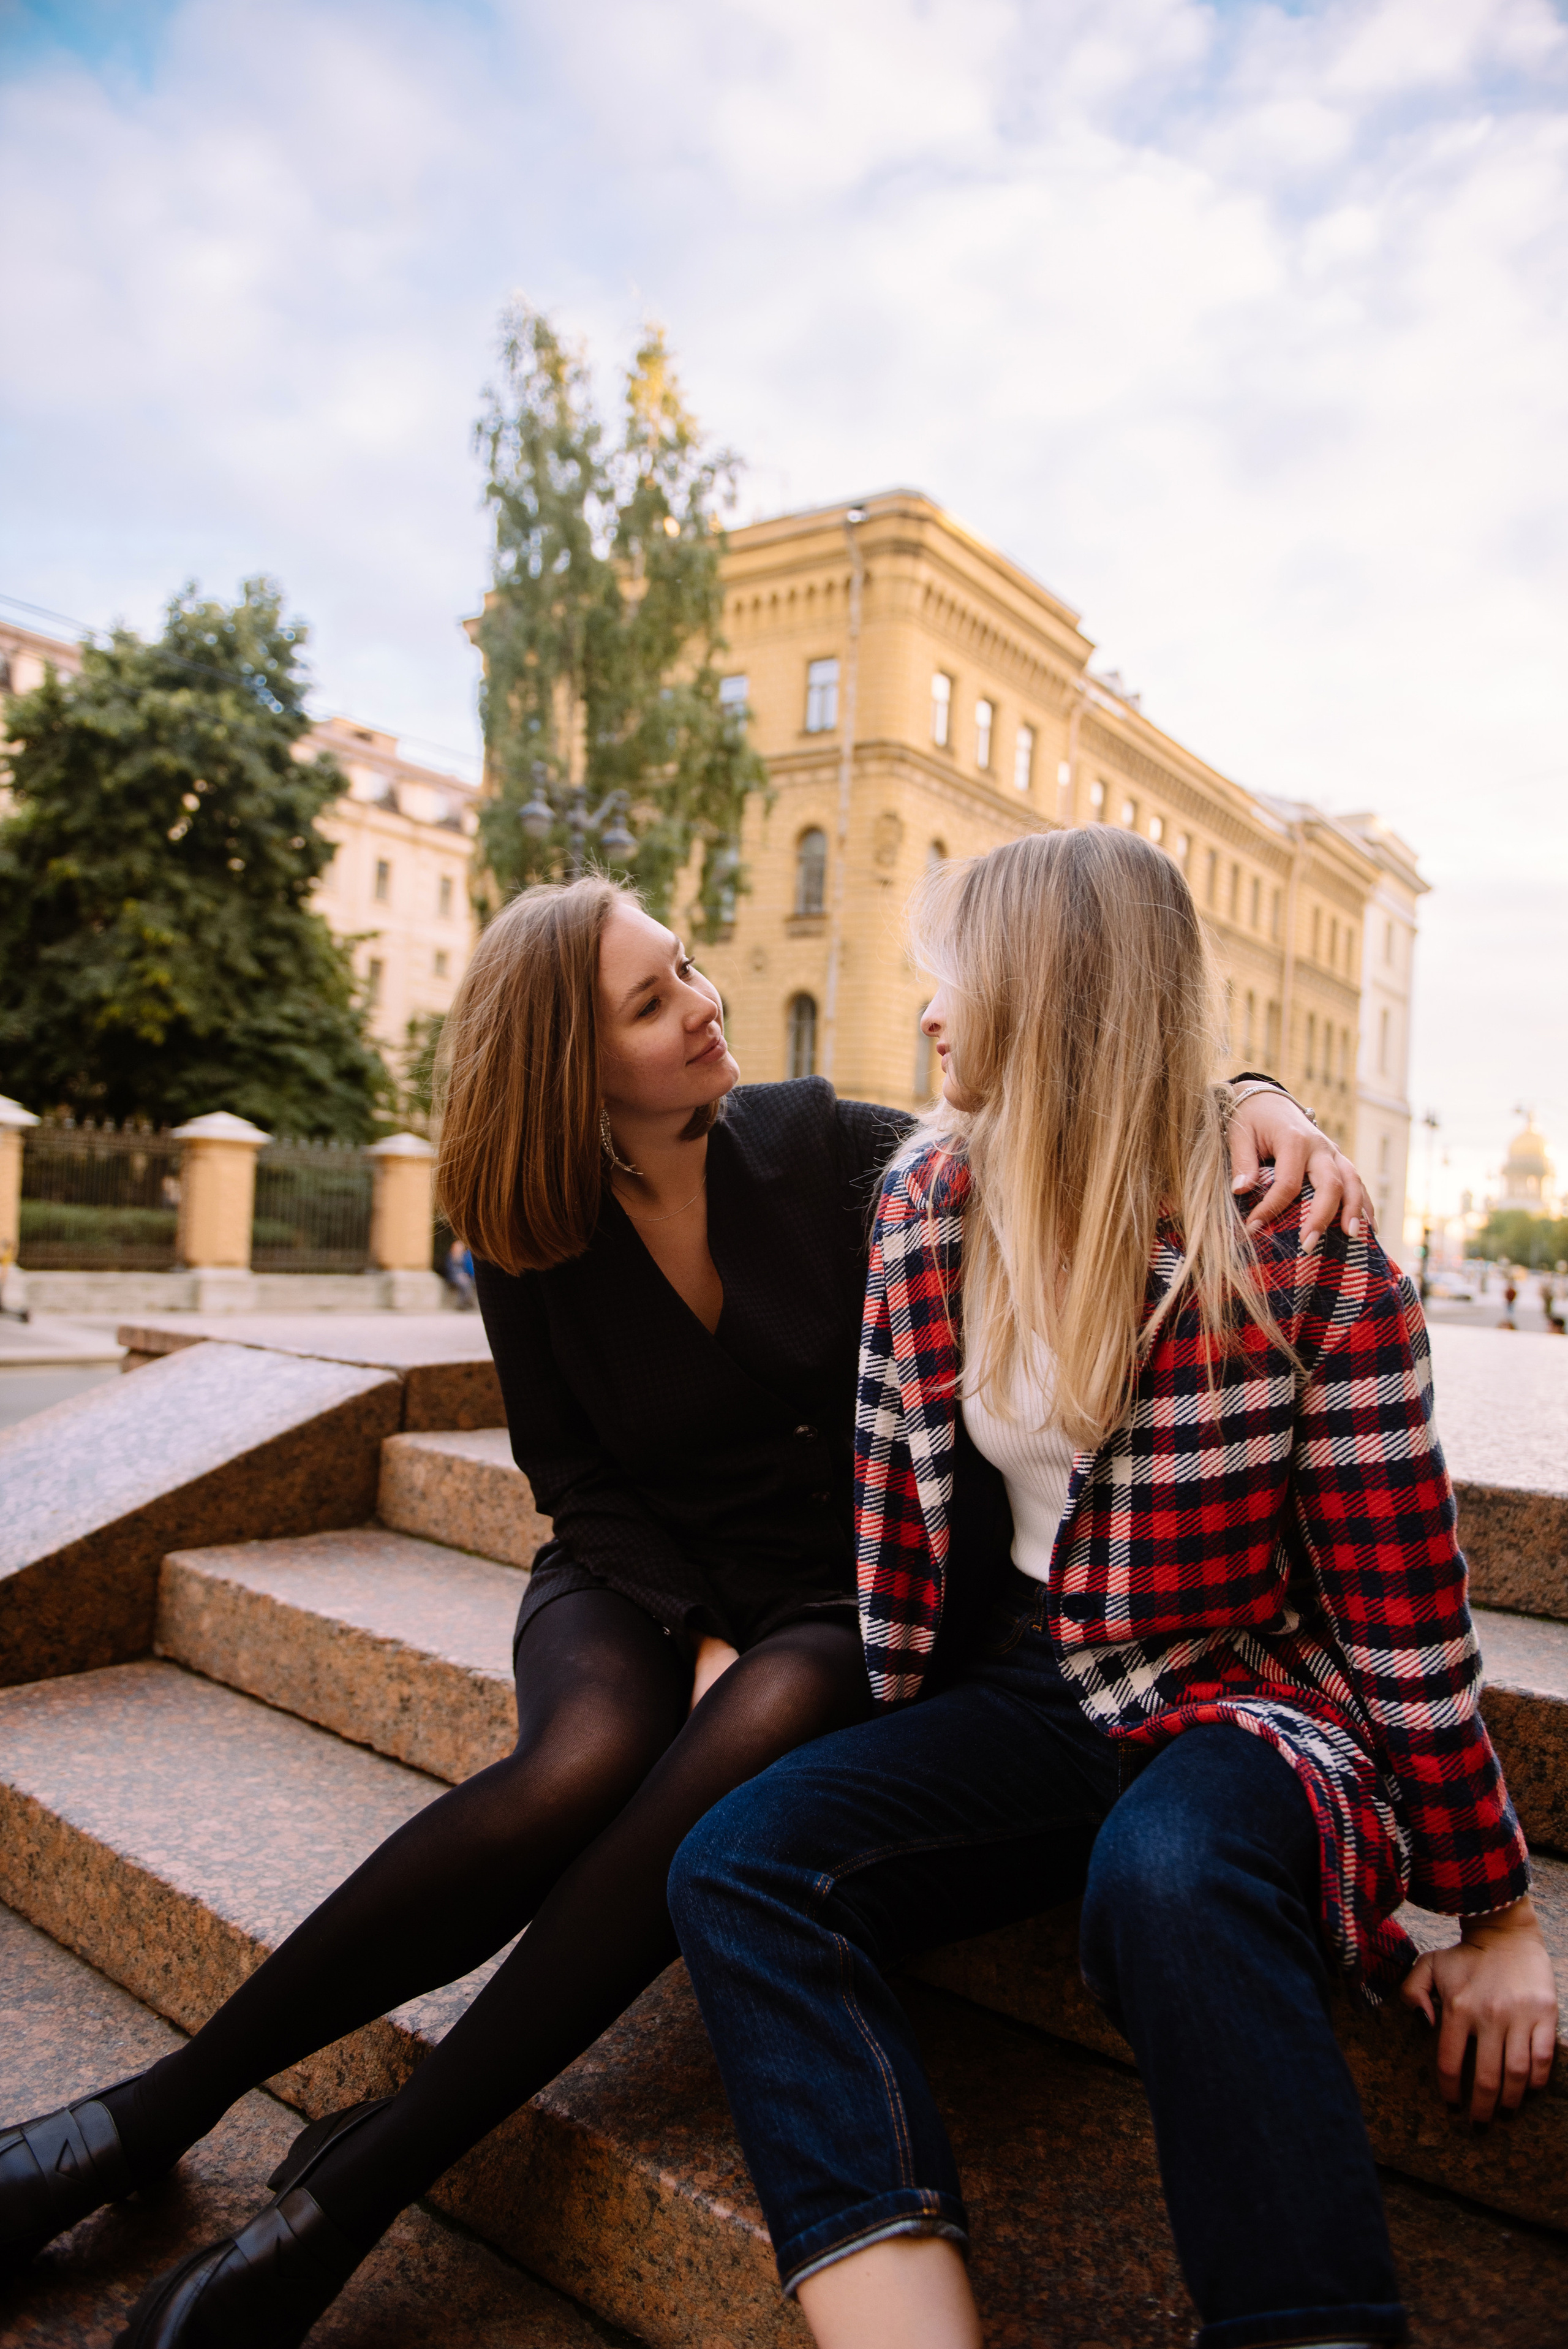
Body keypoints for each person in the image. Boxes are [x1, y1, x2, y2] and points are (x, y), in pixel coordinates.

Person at [0, 875, 1358, 2348]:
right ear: (569, 1071)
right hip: (633, 1570)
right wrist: (692, 1625)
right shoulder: (524, 1214)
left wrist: (1245, 1094)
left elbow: (1065, 1100)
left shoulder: (831, 1146)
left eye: (689, 969)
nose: (704, 1004)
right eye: (651, 1004)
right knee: (574, 1765)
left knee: (757, 1725)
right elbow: (569, 1477)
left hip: (843, 1596)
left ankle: (357, 2185)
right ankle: (159, 2110)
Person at [669, 827, 1558, 2349]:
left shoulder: (1302, 1256)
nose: (930, 1010)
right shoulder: (924, 1204)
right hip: (1023, 1686)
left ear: (1046, 987)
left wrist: (1487, 1913)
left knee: (1167, 1877)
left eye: (952, 975)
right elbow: (885, 1510)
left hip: (1243, 1693)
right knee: (736, 1864)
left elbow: (1402, 1613)